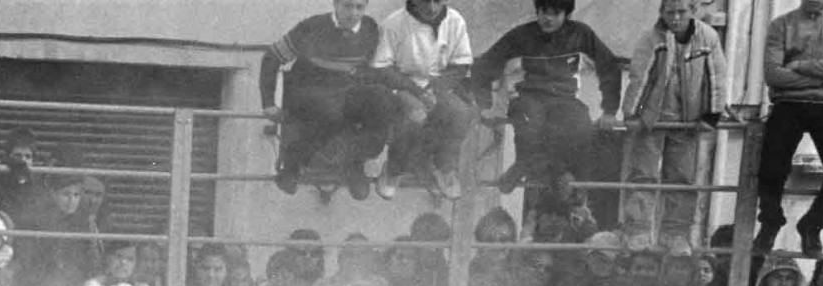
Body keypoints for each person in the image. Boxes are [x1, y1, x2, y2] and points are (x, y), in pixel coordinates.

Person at [472, 0, 624, 193]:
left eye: (555, 13)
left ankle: (562, 178)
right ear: (537, 11)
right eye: (544, 12)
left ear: (566, 14)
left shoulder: (581, 35)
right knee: (530, 125)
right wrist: (485, 106)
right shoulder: (520, 36)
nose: (548, 18)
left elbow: (609, 66)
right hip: (527, 97)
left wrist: (610, 110)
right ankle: (524, 165)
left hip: (564, 98)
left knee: (581, 126)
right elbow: (483, 66)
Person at [620, 0, 728, 252]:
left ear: (693, 11)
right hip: (653, 119)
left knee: (681, 178)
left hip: (685, 120)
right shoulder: (651, 39)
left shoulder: (707, 37)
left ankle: (675, 233)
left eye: (682, 12)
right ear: (662, 13)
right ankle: (637, 230)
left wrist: (712, 114)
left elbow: (717, 76)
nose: (676, 18)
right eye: (670, 12)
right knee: (643, 174)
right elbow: (640, 76)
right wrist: (632, 113)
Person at [262, 0, 391, 201]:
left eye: (359, 7)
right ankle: (293, 163)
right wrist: (268, 103)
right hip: (307, 91)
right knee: (332, 109)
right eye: (348, 6)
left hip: (345, 93)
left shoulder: (370, 28)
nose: (353, 13)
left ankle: (354, 161)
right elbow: (271, 57)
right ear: (336, 4)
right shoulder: (312, 27)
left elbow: (375, 69)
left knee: (382, 99)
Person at [371, 0, 478, 201]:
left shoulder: (455, 22)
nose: (431, 7)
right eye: (425, 0)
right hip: (403, 86)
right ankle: (394, 168)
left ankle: (444, 168)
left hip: (439, 87)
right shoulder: (394, 23)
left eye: (437, 1)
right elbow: (382, 67)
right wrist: (416, 91)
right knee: (415, 116)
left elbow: (460, 65)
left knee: (460, 113)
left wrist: (436, 88)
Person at [753, 0, 823, 255]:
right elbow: (773, 74)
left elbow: (784, 72)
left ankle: (812, 224)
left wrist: (797, 65)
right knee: (771, 167)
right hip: (787, 104)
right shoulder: (780, 25)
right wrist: (818, 76)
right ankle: (770, 222)